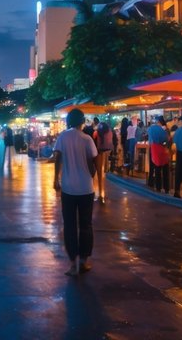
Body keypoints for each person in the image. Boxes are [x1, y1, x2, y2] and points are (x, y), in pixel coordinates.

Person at [53, 108, 98, 276]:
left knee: (70, 225)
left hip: (68, 188)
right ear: (82, 121)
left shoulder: (63, 137)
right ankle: (84, 261)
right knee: (86, 224)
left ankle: (73, 263)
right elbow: (93, 161)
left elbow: (57, 157)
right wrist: (92, 175)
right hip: (86, 188)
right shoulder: (87, 139)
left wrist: (56, 179)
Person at [92, 117, 114, 202]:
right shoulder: (108, 131)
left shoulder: (96, 132)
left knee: (94, 173)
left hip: (97, 152)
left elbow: (93, 141)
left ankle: (93, 192)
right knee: (101, 174)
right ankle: (101, 194)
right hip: (104, 151)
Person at [147, 116, 170, 193]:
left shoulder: (151, 129)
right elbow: (166, 140)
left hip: (154, 151)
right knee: (165, 170)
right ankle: (166, 188)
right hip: (163, 151)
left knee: (157, 169)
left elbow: (150, 140)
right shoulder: (164, 130)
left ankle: (158, 187)